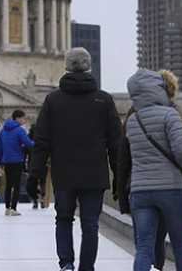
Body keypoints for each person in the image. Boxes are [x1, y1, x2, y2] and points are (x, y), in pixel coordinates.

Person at [28, 48, 121, 271]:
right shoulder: (104, 100)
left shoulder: (53, 100)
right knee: (90, 225)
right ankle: (86, 267)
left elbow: (42, 141)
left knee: (63, 219)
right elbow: (116, 143)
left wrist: (35, 174)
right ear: (89, 67)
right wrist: (119, 174)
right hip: (95, 174)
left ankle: (66, 264)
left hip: (64, 172)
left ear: (66, 67)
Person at [123, 69, 182, 271]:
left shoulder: (132, 121)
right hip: (171, 188)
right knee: (181, 245)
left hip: (140, 191)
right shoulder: (170, 115)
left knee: (144, 248)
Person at [0, 109, 34, 216]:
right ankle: (13, 208)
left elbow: (0, 148)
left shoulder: (3, 130)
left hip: (6, 161)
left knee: (8, 185)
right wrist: (37, 143)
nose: (24, 120)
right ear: (17, 118)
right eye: (23, 118)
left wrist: (0, 162)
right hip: (17, 160)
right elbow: (28, 144)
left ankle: (7, 208)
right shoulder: (19, 130)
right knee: (16, 185)